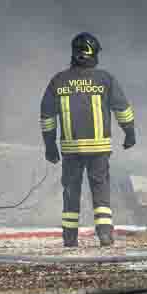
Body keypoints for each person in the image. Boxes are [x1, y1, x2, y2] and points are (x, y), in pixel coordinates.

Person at [40, 32, 136, 247]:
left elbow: (47, 116)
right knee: (100, 190)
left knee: (71, 191)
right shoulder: (105, 79)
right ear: (94, 54)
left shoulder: (59, 80)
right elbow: (122, 109)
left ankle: (69, 237)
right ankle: (105, 234)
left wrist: (50, 146)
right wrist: (129, 132)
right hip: (99, 149)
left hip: (70, 149)